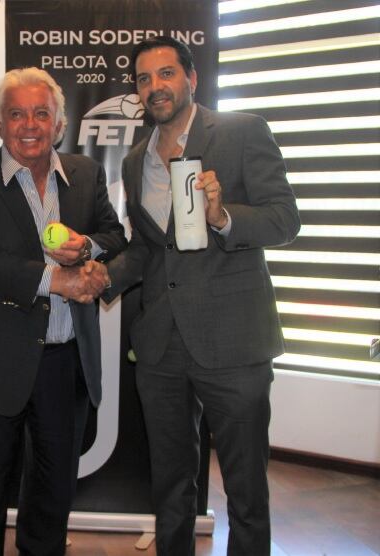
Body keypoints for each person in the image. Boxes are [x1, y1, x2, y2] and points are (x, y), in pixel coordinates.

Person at [102, 37, 300, 555]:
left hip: (234, 342)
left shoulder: (242, 132)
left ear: (191, 78)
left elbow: (285, 219)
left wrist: (224, 216)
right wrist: (100, 278)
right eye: (144, 79)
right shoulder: (136, 161)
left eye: (166, 73)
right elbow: (149, 249)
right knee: (170, 487)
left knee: (246, 491)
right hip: (161, 347)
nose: (155, 86)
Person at [0, 67, 127, 555]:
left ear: (59, 124)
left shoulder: (86, 173)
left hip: (65, 365)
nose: (29, 125)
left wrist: (86, 247)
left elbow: (114, 235)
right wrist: (56, 279)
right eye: (16, 114)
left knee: (52, 495)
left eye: (41, 114)